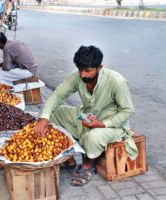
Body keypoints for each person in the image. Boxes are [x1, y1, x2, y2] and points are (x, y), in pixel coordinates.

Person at [34, 45, 138, 186]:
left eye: (87, 71)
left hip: (113, 126)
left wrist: (101, 124)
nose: (82, 75)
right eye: (80, 70)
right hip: (87, 116)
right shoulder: (77, 76)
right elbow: (58, 95)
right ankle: (68, 157)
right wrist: (44, 118)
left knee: (92, 137)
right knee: (53, 113)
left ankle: (88, 166)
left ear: (99, 68)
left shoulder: (117, 82)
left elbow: (127, 111)